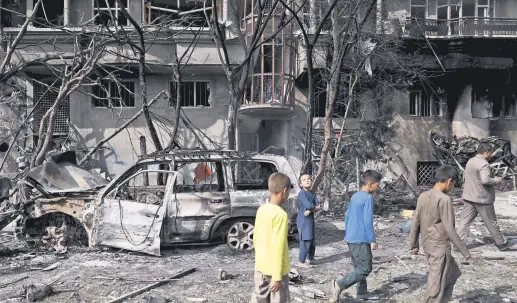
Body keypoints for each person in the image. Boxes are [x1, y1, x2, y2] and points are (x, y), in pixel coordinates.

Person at [409, 165, 471, 303]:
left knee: (453, 273)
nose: (452, 188)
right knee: (436, 284)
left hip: (428, 243)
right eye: (453, 184)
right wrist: (465, 251)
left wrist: (413, 243)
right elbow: (450, 229)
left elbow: (415, 221)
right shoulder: (444, 199)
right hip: (440, 247)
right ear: (449, 181)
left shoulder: (423, 196)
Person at [331, 170, 382, 302]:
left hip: (351, 237)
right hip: (360, 239)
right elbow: (367, 221)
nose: (378, 187)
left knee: (358, 267)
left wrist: (348, 233)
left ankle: (362, 292)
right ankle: (339, 284)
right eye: (377, 185)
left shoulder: (355, 196)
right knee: (365, 268)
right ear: (370, 184)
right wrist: (372, 240)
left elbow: (347, 216)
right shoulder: (367, 198)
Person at [457, 142, 511, 251]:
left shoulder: (471, 161)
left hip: (469, 196)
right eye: (490, 153)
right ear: (486, 153)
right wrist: (498, 180)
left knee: (464, 222)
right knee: (491, 222)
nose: (491, 155)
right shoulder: (484, 164)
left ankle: (457, 244)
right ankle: (501, 243)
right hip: (482, 198)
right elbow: (485, 180)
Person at [250, 172, 292, 303]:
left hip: (261, 268)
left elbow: (255, 239)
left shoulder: (262, 209)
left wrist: (261, 262)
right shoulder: (281, 215)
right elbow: (278, 246)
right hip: (276, 272)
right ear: (284, 191)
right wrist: (277, 277)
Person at [296, 173, 321, 268]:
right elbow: (310, 205)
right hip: (303, 220)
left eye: (309, 179)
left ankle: (310, 258)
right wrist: (313, 208)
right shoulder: (301, 194)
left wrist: (310, 210)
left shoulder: (312, 193)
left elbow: (318, 206)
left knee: (312, 240)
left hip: (310, 220)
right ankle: (301, 262)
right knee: (306, 240)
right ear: (301, 184)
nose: (307, 180)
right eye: (304, 179)